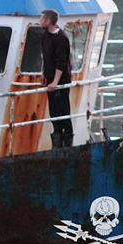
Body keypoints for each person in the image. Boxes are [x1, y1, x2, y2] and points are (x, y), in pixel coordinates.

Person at [40, 9, 74, 148]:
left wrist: (55, 81)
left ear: (49, 21)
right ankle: (57, 142)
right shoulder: (45, 36)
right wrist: (44, 74)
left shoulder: (61, 38)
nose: (40, 21)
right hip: (50, 79)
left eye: (42, 18)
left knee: (63, 111)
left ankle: (67, 143)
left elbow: (62, 62)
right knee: (54, 112)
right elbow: (45, 57)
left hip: (61, 81)